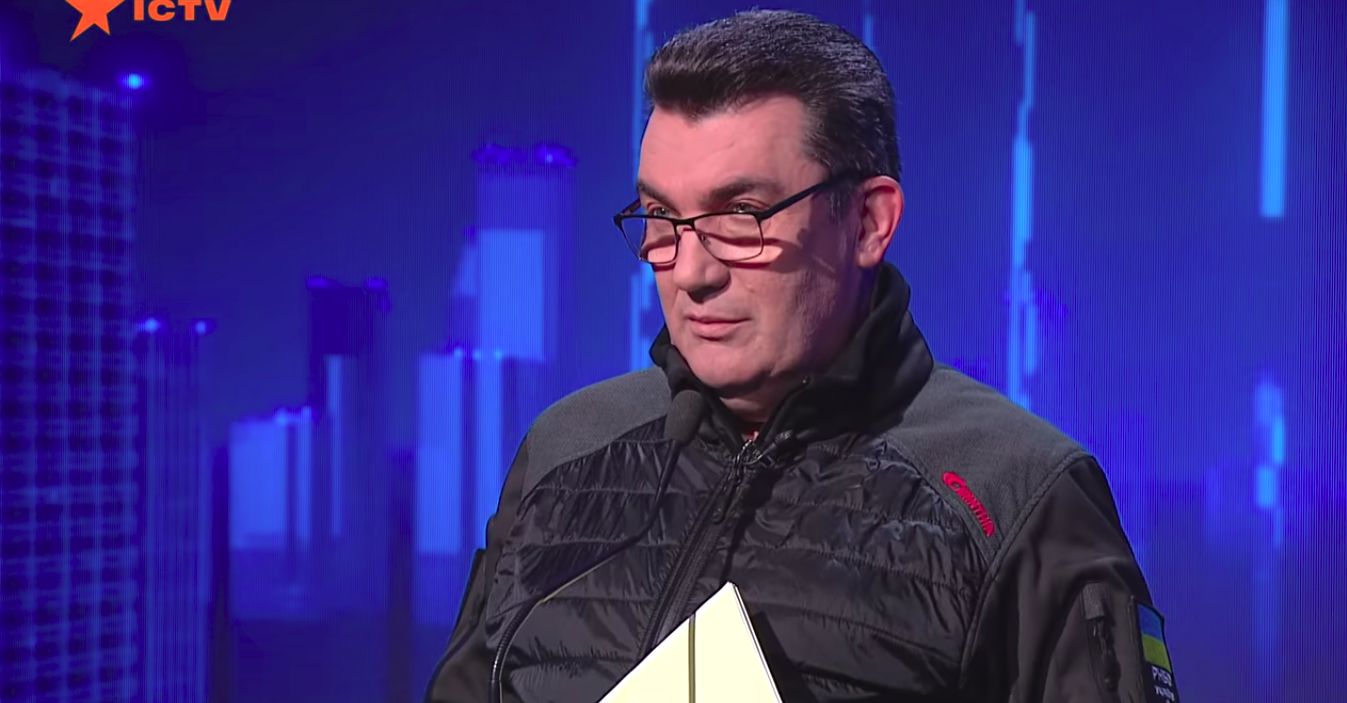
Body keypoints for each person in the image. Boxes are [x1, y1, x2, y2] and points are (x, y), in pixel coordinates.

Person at [427, 9, 1177, 702]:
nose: (691, 271)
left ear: (868, 221)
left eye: (740, 215)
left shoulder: (1018, 495)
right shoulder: (564, 449)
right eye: (661, 217)